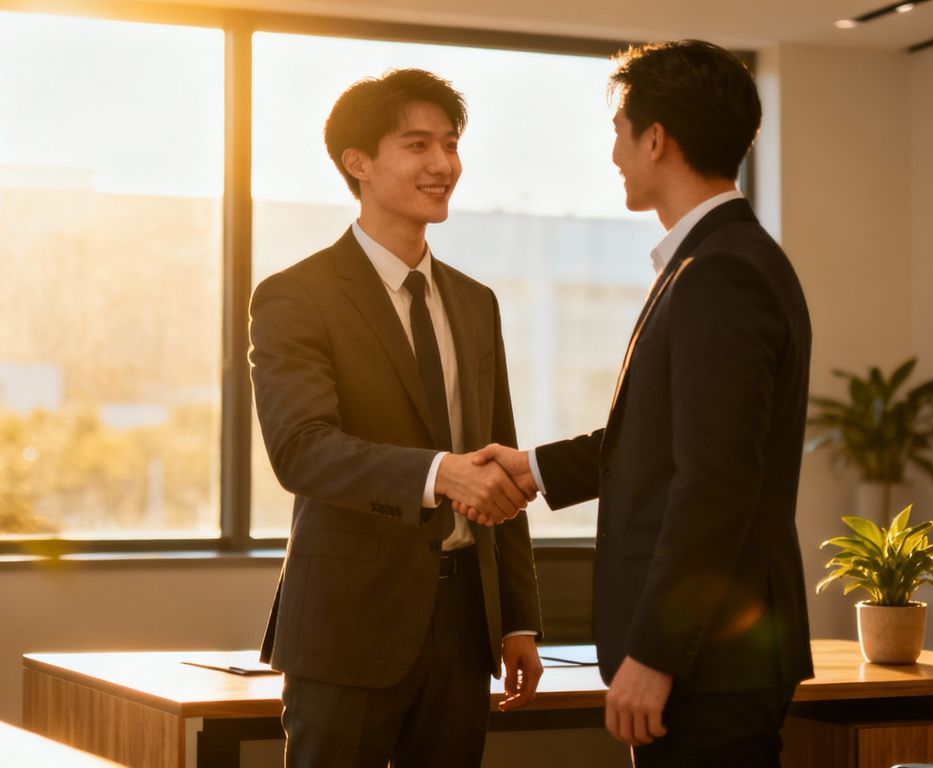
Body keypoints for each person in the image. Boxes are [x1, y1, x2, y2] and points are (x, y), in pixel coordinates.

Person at [464, 41, 815, 767]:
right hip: (716, 654)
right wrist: (532, 468)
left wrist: (656, 653)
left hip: (709, 658)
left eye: (621, 133)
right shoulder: (719, 260)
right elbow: (668, 443)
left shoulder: (720, 272)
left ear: (657, 140)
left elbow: (714, 484)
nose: (615, 154)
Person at [248, 68, 544, 768]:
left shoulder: (476, 303)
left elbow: (498, 459)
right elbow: (301, 450)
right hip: (347, 624)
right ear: (358, 162)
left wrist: (520, 618)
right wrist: (440, 475)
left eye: (450, 143)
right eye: (418, 145)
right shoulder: (295, 296)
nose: (443, 165)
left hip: (463, 628)